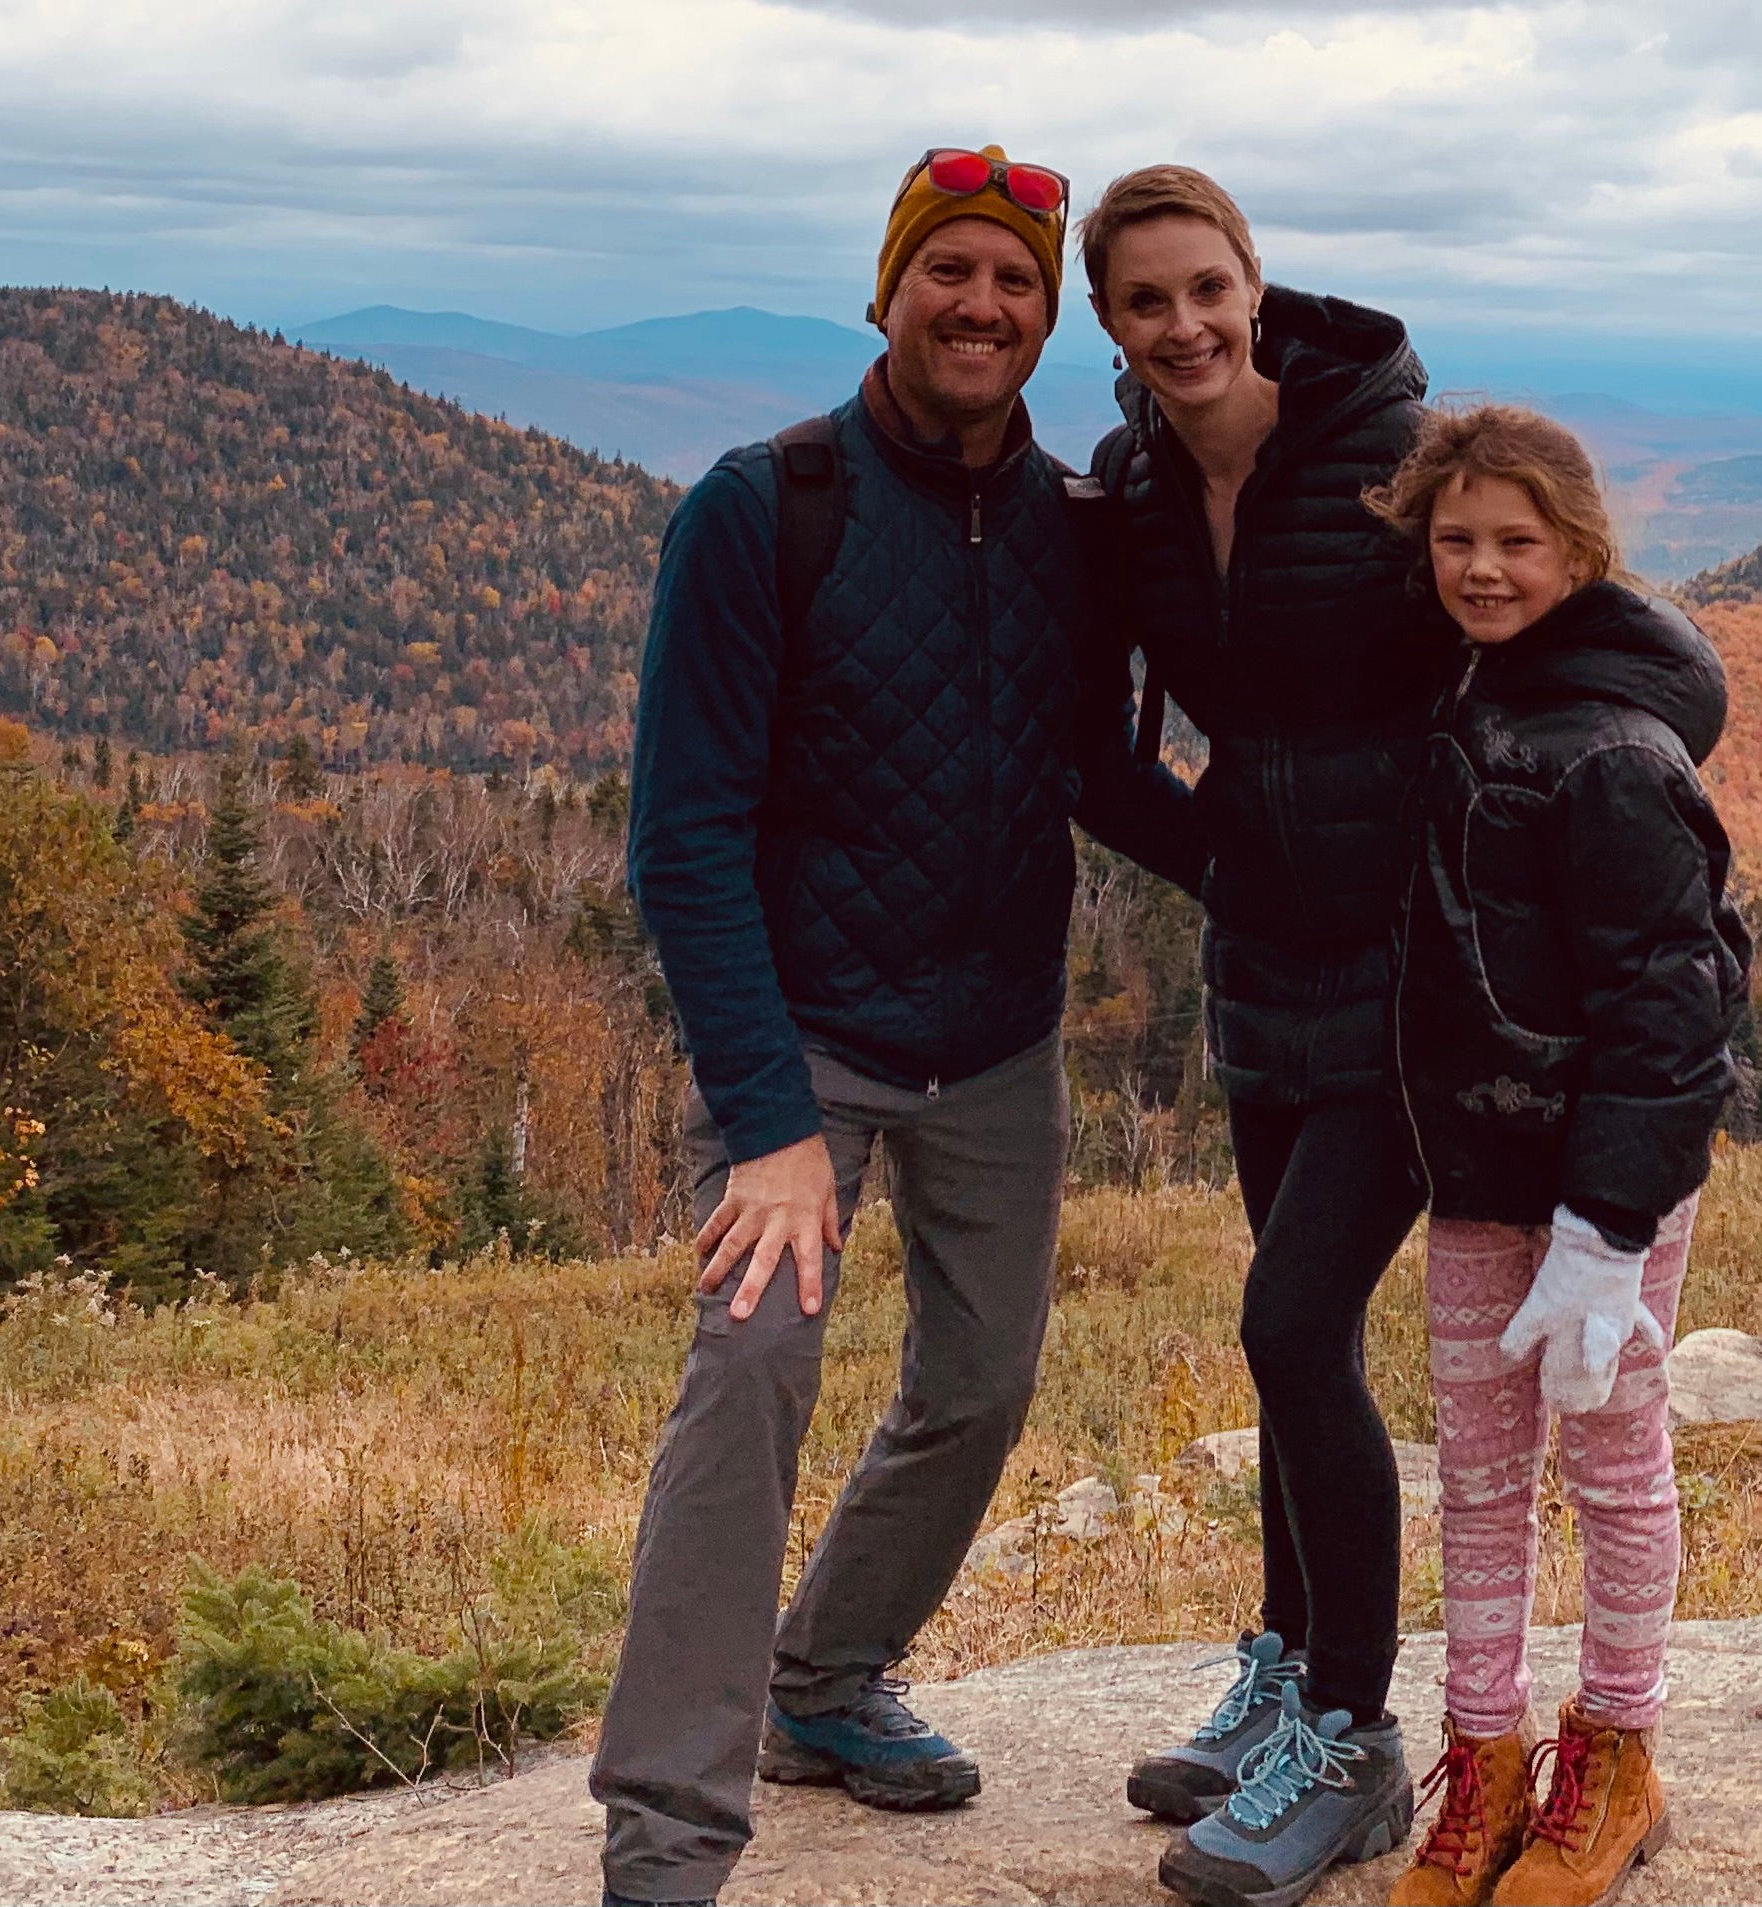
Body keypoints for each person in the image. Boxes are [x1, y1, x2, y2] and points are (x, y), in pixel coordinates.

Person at [591, 145, 1202, 1907]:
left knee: (983, 1382)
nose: (982, 307)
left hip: (994, 1042)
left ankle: (824, 1682)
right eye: (951, 272)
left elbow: (1097, 769)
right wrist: (768, 1119)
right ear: (889, 291)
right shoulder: (762, 502)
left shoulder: (1074, 530)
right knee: (754, 1374)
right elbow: (682, 835)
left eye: (1014, 284)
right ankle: (667, 1831)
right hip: (808, 1047)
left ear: (1044, 321)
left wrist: (1289, 874)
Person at [1076, 166, 1464, 1907]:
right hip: (1264, 967)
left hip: (1412, 968)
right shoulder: (1139, 491)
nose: (1184, 326)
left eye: (1206, 288)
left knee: (1293, 1320)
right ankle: (1290, 1674)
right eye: (1145, 302)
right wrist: (1226, 858)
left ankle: (1356, 1750)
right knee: (1284, 1346)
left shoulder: (1395, 454)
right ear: (1110, 324)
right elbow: (1096, 755)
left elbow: (1566, 628)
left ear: (1256, 284)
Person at [1368, 405, 1749, 1907]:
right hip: (1473, 1172)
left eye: (1515, 542)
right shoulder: (1461, 700)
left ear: (1580, 550)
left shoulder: (1616, 752)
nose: (1480, 566)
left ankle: (1617, 1749)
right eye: (1454, 539)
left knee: (1610, 1459)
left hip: (1605, 1192)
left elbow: (1674, 1007)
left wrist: (1607, 1221)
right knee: (1472, 1466)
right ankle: (1480, 1754)